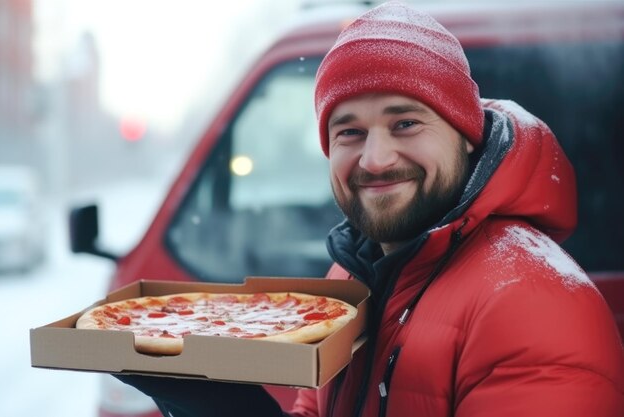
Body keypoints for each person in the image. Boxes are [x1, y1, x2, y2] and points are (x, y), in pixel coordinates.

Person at [116, 2, 624, 416]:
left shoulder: (530, 302)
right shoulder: (355, 276)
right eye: (350, 132)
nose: (376, 159)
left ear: (466, 135)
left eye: (405, 123)